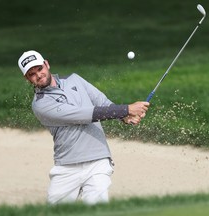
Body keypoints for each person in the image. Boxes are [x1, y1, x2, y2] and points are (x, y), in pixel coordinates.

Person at [18, 50, 149, 205]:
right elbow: (84, 114)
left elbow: (102, 102)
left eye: (40, 69)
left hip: (98, 160)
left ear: (47, 64)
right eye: (32, 74)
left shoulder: (75, 79)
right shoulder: (41, 104)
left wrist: (125, 117)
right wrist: (126, 109)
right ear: (27, 78)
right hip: (67, 167)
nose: (39, 75)